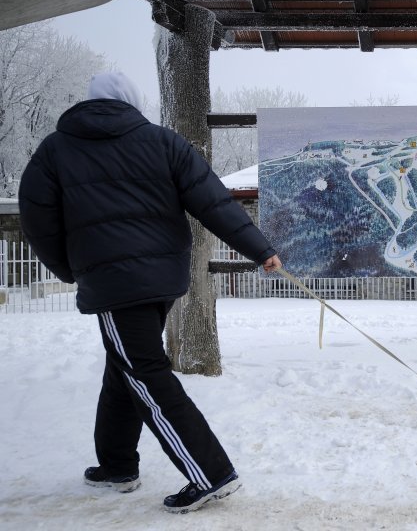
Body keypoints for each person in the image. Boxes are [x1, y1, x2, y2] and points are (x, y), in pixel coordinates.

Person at [18, 72, 282, 514]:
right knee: (124, 363)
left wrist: (70, 270)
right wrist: (260, 249)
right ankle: (117, 464)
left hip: (112, 281)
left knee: (142, 369)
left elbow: (37, 217)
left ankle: (210, 472)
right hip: (162, 279)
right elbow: (213, 200)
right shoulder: (163, 141)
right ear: (132, 102)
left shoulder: (55, 150)